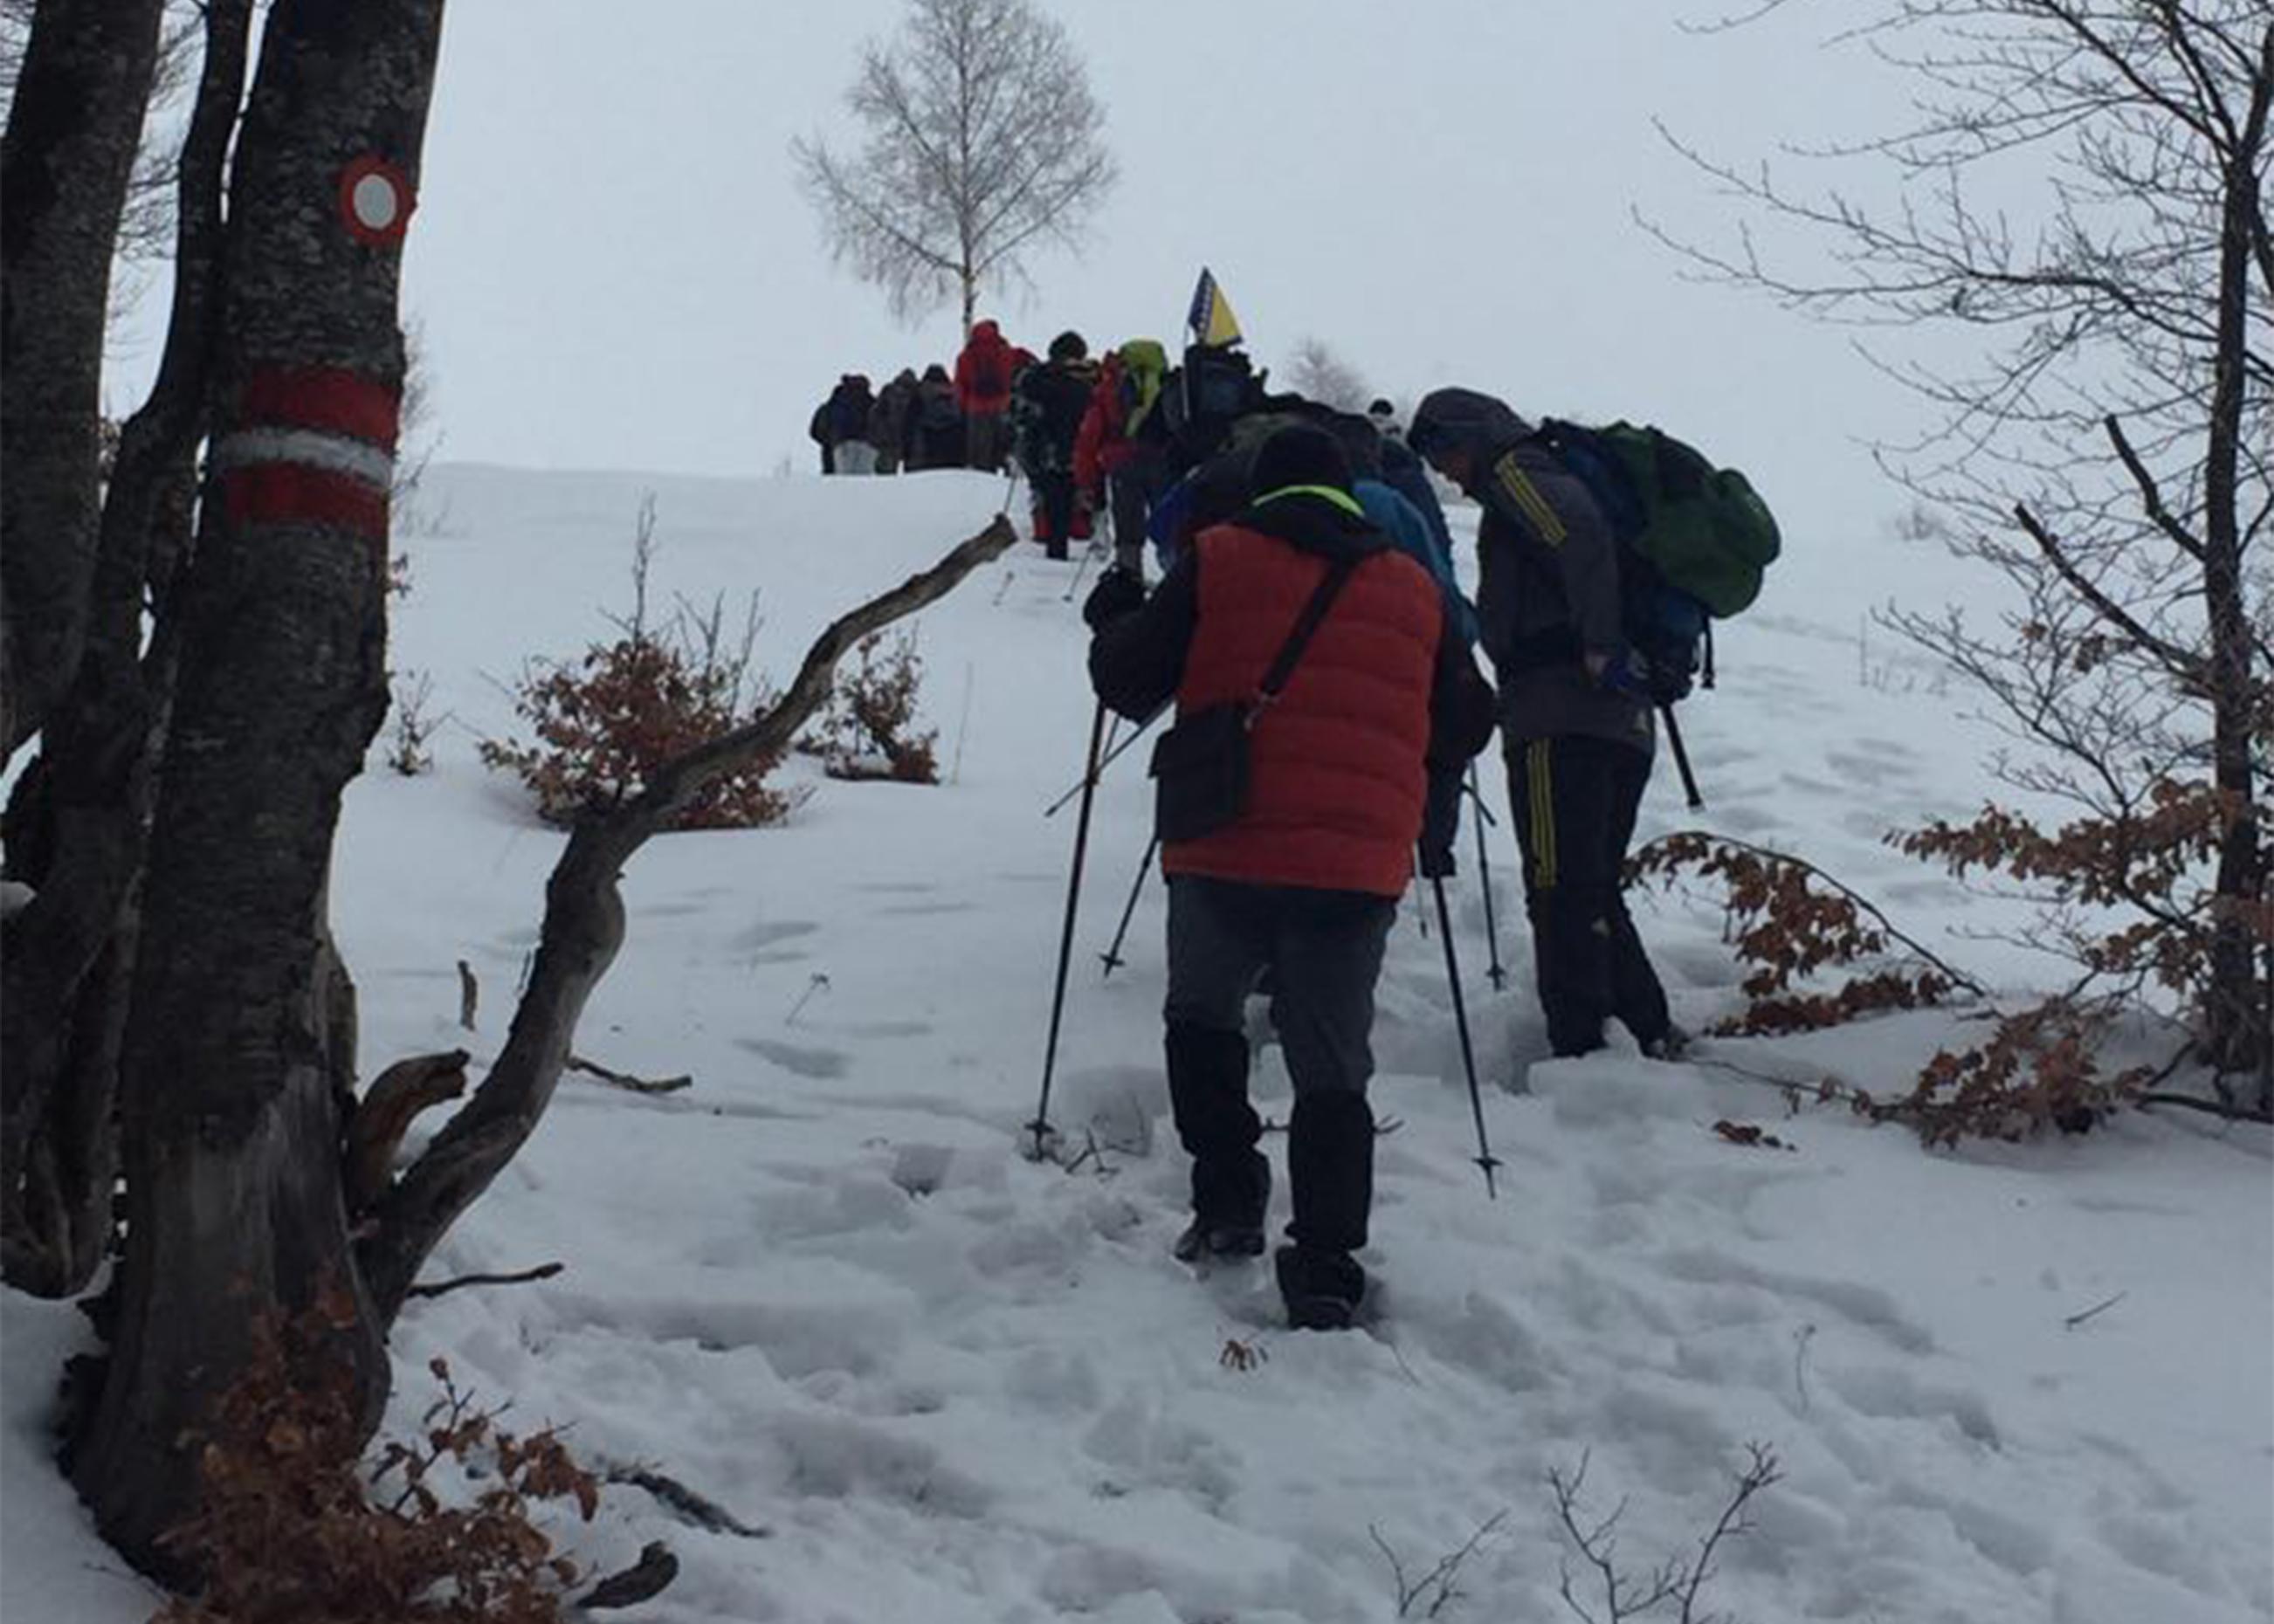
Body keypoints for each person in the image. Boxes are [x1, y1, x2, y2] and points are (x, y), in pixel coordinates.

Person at [1083, 424, 1496, 1331]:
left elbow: (1127, 679)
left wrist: (1112, 611)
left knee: (1202, 1020)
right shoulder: (1413, 586)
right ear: (1350, 496)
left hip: (1223, 841)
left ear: (1259, 492)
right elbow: (1468, 724)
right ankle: (1325, 1263)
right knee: (1331, 1065)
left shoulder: (1218, 557)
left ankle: (1230, 1199)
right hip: (1355, 863)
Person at [1406, 387, 1679, 1062]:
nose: (1448, 473)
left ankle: (1582, 1046)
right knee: (1588, 879)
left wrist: (1598, 643)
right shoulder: (1546, 468)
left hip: (1560, 713)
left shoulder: (1517, 473)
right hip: (1620, 717)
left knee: (1557, 881)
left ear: (1472, 434)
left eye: (1447, 454)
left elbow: (1576, 530)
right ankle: (1645, 1029)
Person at [1074, 338, 1174, 579]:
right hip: (1163, 462)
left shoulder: (1109, 390)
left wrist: (1086, 480)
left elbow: (1089, 436)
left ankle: (1129, 578)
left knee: (1129, 527)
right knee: (1171, 525)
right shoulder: (1169, 386)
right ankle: (1177, 578)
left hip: (1123, 464)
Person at [1010, 331, 1099, 560]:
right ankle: (1082, 544)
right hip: (1080, 450)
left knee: (1053, 503)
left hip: (1044, 452)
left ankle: (1055, 549)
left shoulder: (1036, 378)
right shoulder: (1090, 380)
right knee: (1078, 501)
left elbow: (1020, 416)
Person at [954, 319, 1018, 471]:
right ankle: (1007, 474)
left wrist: (963, 406)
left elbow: (960, 384)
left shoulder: (965, 356)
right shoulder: (1007, 352)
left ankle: (982, 483)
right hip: (1002, 405)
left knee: (980, 456)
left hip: (976, 408)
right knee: (1004, 447)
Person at [908, 364, 963, 471]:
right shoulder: (955, 393)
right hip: (952, 443)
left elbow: (910, 420)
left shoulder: (920, 392)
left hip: (927, 442)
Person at [822, 373, 879, 475]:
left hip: (841, 444)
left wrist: (830, 441)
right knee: (864, 480)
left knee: (844, 480)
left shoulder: (835, 401)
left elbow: (819, 427)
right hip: (866, 444)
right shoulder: (871, 401)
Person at [869, 368, 920, 475]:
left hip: (888, 439)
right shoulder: (917, 394)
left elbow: (875, 414)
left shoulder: (888, 391)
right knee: (913, 477)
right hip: (909, 440)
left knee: (885, 476)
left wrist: (878, 435)